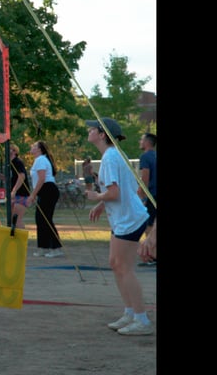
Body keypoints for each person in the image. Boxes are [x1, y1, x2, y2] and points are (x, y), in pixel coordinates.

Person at [85, 117, 153, 336]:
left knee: (124, 267)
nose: (88, 131)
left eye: (92, 129)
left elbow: (114, 193)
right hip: (124, 218)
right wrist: (101, 205)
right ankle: (130, 312)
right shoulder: (113, 155)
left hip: (130, 219)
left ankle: (141, 319)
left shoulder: (110, 157)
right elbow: (122, 190)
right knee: (115, 264)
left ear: (102, 135)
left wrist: (97, 197)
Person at [27, 140, 63, 258]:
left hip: (48, 190)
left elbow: (42, 179)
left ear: (39, 149)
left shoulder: (41, 159)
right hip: (44, 190)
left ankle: (56, 248)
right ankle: (43, 247)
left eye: (34, 146)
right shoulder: (39, 160)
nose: (32, 147)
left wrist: (33, 195)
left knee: (46, 219)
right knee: (40, 219)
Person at [137, 132, 157, 266]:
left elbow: (145, 178)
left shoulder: (145, 157)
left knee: (149, 225)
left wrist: (141, 194)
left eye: (141, 139)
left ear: (147, 142)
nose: (140, 141)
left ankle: (151, 255)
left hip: (152, 194)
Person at [8, 144, 30, 229]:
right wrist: (0, 176)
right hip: (14, 194)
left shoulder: (17, 162)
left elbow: (22, 176)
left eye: (11, 149)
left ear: (15, 152)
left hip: (21, 194)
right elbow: (12, 177)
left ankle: (22, 237)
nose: (8, 150)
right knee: (12, 219)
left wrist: (14, 190)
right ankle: (14, 236)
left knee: (17, 219)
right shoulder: (10, 163)